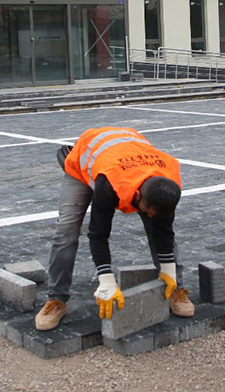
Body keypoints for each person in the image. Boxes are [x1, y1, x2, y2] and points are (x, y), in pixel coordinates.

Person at [35, 127, 195, 331]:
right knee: (66, 230)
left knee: (158, 226)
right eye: (146, 210)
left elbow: (164, 230)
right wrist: (107, 281)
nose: (148, 215)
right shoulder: (109, 183)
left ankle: (174, 287)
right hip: (87, 163)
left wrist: (168, 271)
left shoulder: (168, 183)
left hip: (129, 157)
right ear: (136, 195)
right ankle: (56, 299)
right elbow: (98, 234)